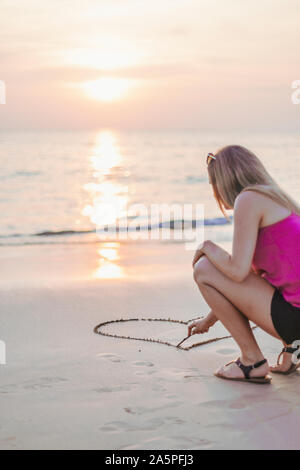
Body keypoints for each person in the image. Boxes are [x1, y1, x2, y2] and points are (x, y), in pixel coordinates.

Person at [188, 145, 300, 384]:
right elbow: (248, 282)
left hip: (295, 319)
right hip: (295, 318)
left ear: (224, 180)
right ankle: (291, 351)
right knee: (218, 268)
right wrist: (208, 321)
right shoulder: (276, 199)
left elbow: (237, 273)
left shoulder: (248, 199)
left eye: (213, 184)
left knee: (204, 268)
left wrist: (207, 246)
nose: (215, 191)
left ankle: (252, 360)